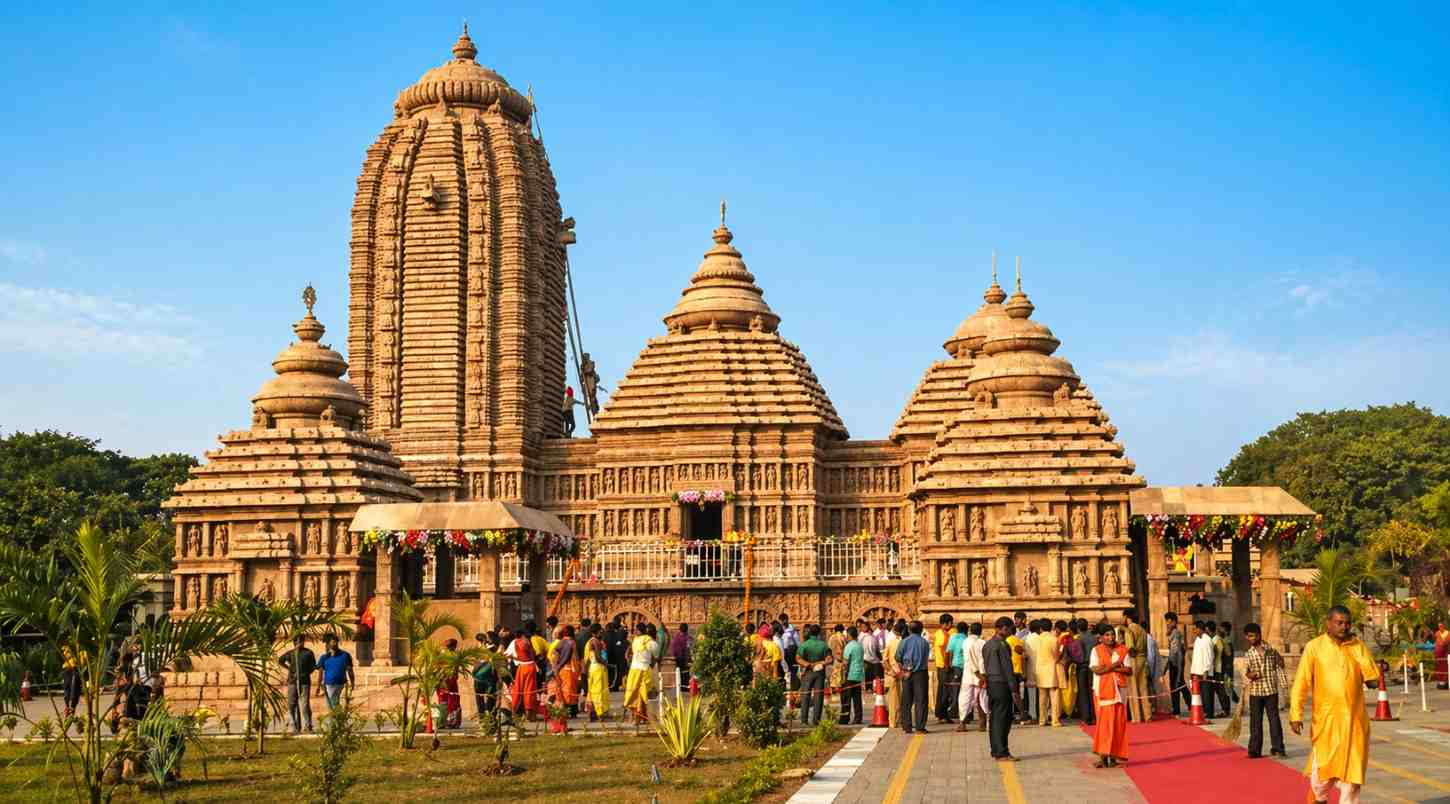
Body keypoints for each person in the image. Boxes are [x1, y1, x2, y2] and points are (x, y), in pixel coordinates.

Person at [1291, 605, 1380, 804]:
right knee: (1320, 777)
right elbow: (1302, 682)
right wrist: (1295, 714)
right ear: (1328, 623)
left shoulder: (1358, 646)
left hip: (1355, 724)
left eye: (1347, 623)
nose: (1344, 627)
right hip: (1326, 722)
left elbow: (1372, 679)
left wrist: (1357, 651)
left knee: (1352, 779)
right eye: (1339, 623)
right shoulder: (1315, 647)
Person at [1090, 623, 1132, 768]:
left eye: (1112, 634)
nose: (1111, 637)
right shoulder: (1096, 651)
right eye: (1107, 635)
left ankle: (1114, 757)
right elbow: (1097, 671)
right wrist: (1115, 665)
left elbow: (1128, 670)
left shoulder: (1122, 649)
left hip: (1120, 691)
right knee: (1104, 725)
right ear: (1100, 637)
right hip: (1102, 692)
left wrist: (1111, 668)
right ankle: (1103, 757)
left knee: (1118, 725)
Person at [1242, 623, 1286, 759]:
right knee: (1256, 721)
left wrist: (1284, 686)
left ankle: (1278, 748)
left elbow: (1280, 665)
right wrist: (1251, 675)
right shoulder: (1249, 654)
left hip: (1270, 690)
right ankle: (1254, 750)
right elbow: (1246, 673)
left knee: (1274, 720)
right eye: (1248, 636)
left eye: (1252, 636)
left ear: (1259, 635)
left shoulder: (1271, 651)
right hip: (1256, 691)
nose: (1250, 638)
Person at [984, 617, 1020, 761]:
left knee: (995, 719)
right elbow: (1007, 668)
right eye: (1008, 629)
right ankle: (1002, 752)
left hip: (992, 683)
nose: (1009, 632)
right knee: (1003, 719)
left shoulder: (987, 644)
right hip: (1001, 684)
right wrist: (1014, 688)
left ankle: (996, 750)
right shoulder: (1002, 645)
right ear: (1001, 629)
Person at [895, 620, 931, 733]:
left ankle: (907, 726)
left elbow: (897, 657)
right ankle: (920, 727)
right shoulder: (925, 643)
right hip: (921, 673)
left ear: (909, 630)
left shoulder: (904, 642)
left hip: (906, 674)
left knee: (906, 700)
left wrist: (904, 669)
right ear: (921, 630)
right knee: (921, 701)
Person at [277, 636, 316, 733]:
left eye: (302, 641)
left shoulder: (308, 653)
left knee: (305, 705)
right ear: (294, 642)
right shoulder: (290, 653)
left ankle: (308, 725)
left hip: (305, 682)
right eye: (298, 641)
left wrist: (305, 673)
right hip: (292, 682)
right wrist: (289, 669)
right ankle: (294, 725)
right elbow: (280, 660)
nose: (300, 643)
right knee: (292, 704)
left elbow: (313, 666)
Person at [796, 624, 833, 726]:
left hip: (808, 671)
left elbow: (798, 658)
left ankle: (804, 720)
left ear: (809, 633)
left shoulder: (804, 645)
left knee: (805, 696)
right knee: (818, 696)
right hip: (820, 673)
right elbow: (830, 659)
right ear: (819, 633)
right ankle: (816, 720)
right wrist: (821, 663)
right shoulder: (824, 645)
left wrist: (809, 665)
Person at [1120, 609, 1151, 723]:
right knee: (1143, 688)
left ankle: (1137, 717)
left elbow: (1130, 648)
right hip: (1143, 659)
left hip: (1134, 659)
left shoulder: (1130, 630)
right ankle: (1147, 715)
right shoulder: (1142, 630)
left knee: (1133, 688)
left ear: (1127, 617)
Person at [623, 622, 658, 723]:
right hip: (644, 669)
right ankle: (645, 717)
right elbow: (656, 651)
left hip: (635, 670)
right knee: (645, 695)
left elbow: (631, 652)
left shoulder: (635, 640)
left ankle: (636, 718)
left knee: (634, 694)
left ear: (638, 631)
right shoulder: (648, 640)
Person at [957, 622, 989, 732]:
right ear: (980, 631)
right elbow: (982, 660)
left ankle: (962, 723)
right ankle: (982, 723)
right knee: (981, 699)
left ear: (970, 630)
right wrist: (983, 676)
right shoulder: (982, 643)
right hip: (979, 674)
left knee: (965, 699)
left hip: (967, 673)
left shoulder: (965, 641)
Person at [315, 634, 354, 711]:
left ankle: (338, 721)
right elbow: (320, 673)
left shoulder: (345, 655)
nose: (334, 644)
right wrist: (318, 686)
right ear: (328, 644)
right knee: (332, 707)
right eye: (332, 642)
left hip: (342, 685)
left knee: (337, 705)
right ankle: (335, 721)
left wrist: (353, 682)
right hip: (329, 685)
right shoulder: (324, 657)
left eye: (336, 642)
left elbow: (350, 670)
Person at [507, 626, 540, 717]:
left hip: (521, 667)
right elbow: (533, 654)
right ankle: (528, 711)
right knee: (529, 689)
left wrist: (513, 658)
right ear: (522, 635)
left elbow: (511, 655)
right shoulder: (526, 642)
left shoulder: (515, 642)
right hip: (529, 666)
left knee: (518, 688)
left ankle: (514, 710)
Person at [1034, 619, 1062, 726]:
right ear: (1051, 628)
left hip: (1040, 670)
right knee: (1054, 696)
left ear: (1040, 628)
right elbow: (1056, 655)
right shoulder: (1054, 639)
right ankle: (1055, 720)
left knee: (1042, 697)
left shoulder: (1036, 639)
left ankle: (1042, 719)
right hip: (1051, 669)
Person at [551, 626, 581, 718]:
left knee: (562, 690)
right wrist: (578, 671)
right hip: (569, 669)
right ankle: (572, 712)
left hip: (560, 670)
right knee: (571, 690)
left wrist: (555, 669)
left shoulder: (560, 642)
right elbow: (575, 658)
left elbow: (554, 656)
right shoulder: (572, 643)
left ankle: (563, 711)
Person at [1189, 620, 1216, 721]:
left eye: (1195, 628)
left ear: (1200, 629)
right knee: (1200, 693)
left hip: (1205, 672)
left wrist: (1206, 671)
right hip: (1197, 670)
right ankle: (1203, 711)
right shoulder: (1198, 639)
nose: (1194, 630)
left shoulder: (1207, 640)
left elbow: (1209, 656)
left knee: (1207, 694)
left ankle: (1209, 713)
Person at [931, 614, 956, 723]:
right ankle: (941, 714)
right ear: (944, 624)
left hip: (945, 666)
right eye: (950, 623)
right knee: (944, 691)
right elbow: (945, 650)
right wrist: (947, 665)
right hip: (944, 666)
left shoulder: (950, 632)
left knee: (946, 691)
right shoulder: (941, 634)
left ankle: (944, 714)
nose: (951, 625)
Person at [1072, 618, 1097, 725]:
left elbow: (1076, 654)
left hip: (1082, 665)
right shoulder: (1094, 638)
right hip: (1093, 666)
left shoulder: (1078, 638)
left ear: (1078, 628)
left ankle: (1086, 717)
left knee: (1083, 691)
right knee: (1092, 690)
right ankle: (1094, 715)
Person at [583, 624, 610, 720]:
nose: (602, 632)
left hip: (591, 669)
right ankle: (600, 713)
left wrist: (586, 671)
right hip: (598, 668)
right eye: (601, 631)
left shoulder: (589, 642)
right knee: (599, 692)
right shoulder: (596, 642)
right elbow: (598, 657)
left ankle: (592, 713)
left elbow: (587, 660)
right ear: (598, 631)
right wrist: (606, 664)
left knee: (591, 692)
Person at [472, 633, 501, 719]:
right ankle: (488, 716)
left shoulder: (490, 648)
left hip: (485, 676)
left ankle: (486, 716)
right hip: (483, 676)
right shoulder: (489, 648)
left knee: (486, 697)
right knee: (487, 697)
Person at [1165, 612, 1188, 716]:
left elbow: (1178, 652)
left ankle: (1176, 709)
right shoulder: (1172, 634)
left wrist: (1179, 668)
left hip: (1176, 663)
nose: (1167, 624)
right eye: (1167, 622)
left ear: (1174, 622)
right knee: (1181, 685)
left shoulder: (1176, 633)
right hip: (1174, 662)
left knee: (1176, 686)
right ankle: (1190, 705)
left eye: (1169, 622)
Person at [841, 626, 865, 724]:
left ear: (849, 635)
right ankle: (858, 718)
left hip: (850, 675)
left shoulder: (849, 646)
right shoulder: (859, 646)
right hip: (858, 675)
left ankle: (844, 718)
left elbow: (846, 663)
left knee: (846, 698)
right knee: (857, 698)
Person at [437, 638, 463, 728]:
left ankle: (446, 722)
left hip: (446, 680)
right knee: (450, 700)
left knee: (446, 700)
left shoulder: (443, 654)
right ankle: (451, 722)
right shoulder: (455, 655)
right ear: (453, 646)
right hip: (447, 680)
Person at [882, 620, 904, 728]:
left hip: (893, 674)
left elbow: (884, 660)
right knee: (901, 699)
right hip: (903, 674)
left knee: (893, 700)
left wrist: (890, 671)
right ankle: (899, 720)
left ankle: (893, 721)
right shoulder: (904, 642)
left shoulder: (891, 642)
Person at [61, 645, 84, 719]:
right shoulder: (67, 647)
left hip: (75, 669)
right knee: (67, 689)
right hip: (67, 669)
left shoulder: (82, 651)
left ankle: (72, 708)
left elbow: (83, 661)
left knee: (74, 690)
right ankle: (67, 707)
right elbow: (64, 654)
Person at [1219, 620, 1239, 706]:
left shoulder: (1227, 641)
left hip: (1227, 668)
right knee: (1228, 688)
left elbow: (1228, 654)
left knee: (1228, 688)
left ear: (1226, 631)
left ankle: (1239, 702)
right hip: (1226, 668)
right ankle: (1239, 702)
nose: (1219, 631)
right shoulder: (1224, 640)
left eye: (1221, 629)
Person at [780, 614, 800, 691]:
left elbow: (798, 643)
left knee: (792, 672)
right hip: (782, 652)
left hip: (790, 653)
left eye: (785, 620)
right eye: (782, 620)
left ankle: (794, 689)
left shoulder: (793, 631)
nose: (784, 622)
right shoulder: (780, 630)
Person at [669, 623, 692, 689]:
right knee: (686, 674)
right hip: (685, 658)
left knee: (679, 673)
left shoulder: (676, 637)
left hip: (678, 658)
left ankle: (680, 687)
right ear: (687, 629)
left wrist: (674, 656)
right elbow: (689, 648)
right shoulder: (688, 638)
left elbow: (673, 647)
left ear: (679, 629)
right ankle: (685, 687)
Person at [1434, 622, 1449, 690]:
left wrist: (1442, 643)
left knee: (1446, 667)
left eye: (1441, 626)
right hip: (1438, 655)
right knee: (1439, 668)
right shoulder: (1437, 633)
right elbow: (1437, 642)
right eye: (1439, 626)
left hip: (1445, 654)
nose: (1440, 627)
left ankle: (1446, 681)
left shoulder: (1448, 633)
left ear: (1444, 626)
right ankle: (1440, 682)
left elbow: (1446, 643)